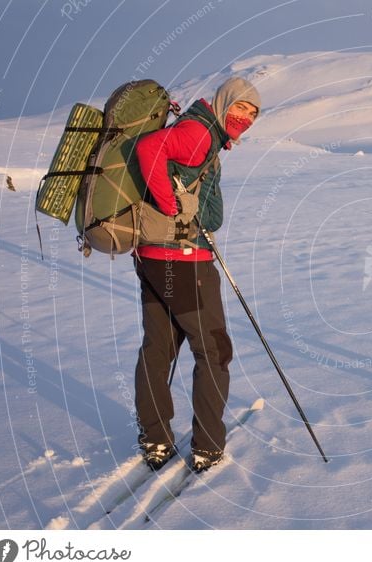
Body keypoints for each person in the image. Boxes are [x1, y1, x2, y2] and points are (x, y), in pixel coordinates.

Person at [133, 77, 261, 472]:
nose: (245, 117)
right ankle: (207, 445)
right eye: (240, 107)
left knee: (158, 349)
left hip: (153, 256)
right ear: (223, 102)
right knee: (213, 352)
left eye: (253, 113)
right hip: (184, 261)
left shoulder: (197, 127)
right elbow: (148, 147)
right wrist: (172, 206)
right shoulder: (198, 132)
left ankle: (155, 440)